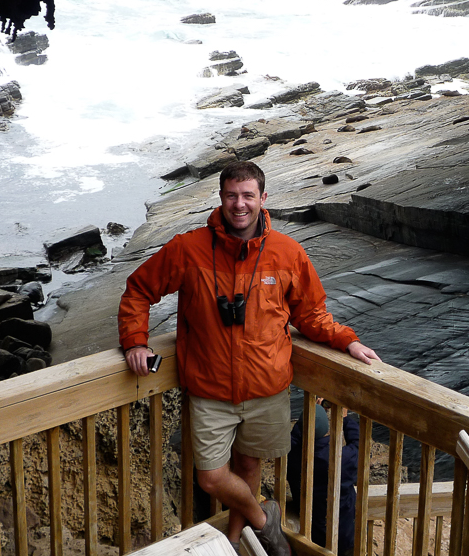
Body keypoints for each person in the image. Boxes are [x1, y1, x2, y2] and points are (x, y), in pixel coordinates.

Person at [117, 161, 380, 555]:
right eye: (231, 196)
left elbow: (310, 314)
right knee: (211, 477)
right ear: (221, 198)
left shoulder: (287, 252)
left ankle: (240, 541)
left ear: (262, 198)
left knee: (250, 469)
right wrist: (136, 341)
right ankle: (264, 520)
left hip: (267, 389)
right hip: (209, 390)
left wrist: (347, 341)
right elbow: (138, 289)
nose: (239, 204)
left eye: (247, 196)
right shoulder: (188, 249)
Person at [287, 399, 360, 554]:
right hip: (343, 533)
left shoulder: (292, 454)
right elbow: (358, 445)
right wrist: (344, 418)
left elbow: (295, 437)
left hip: (311, 530)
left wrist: (312, 413)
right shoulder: (340, 459)